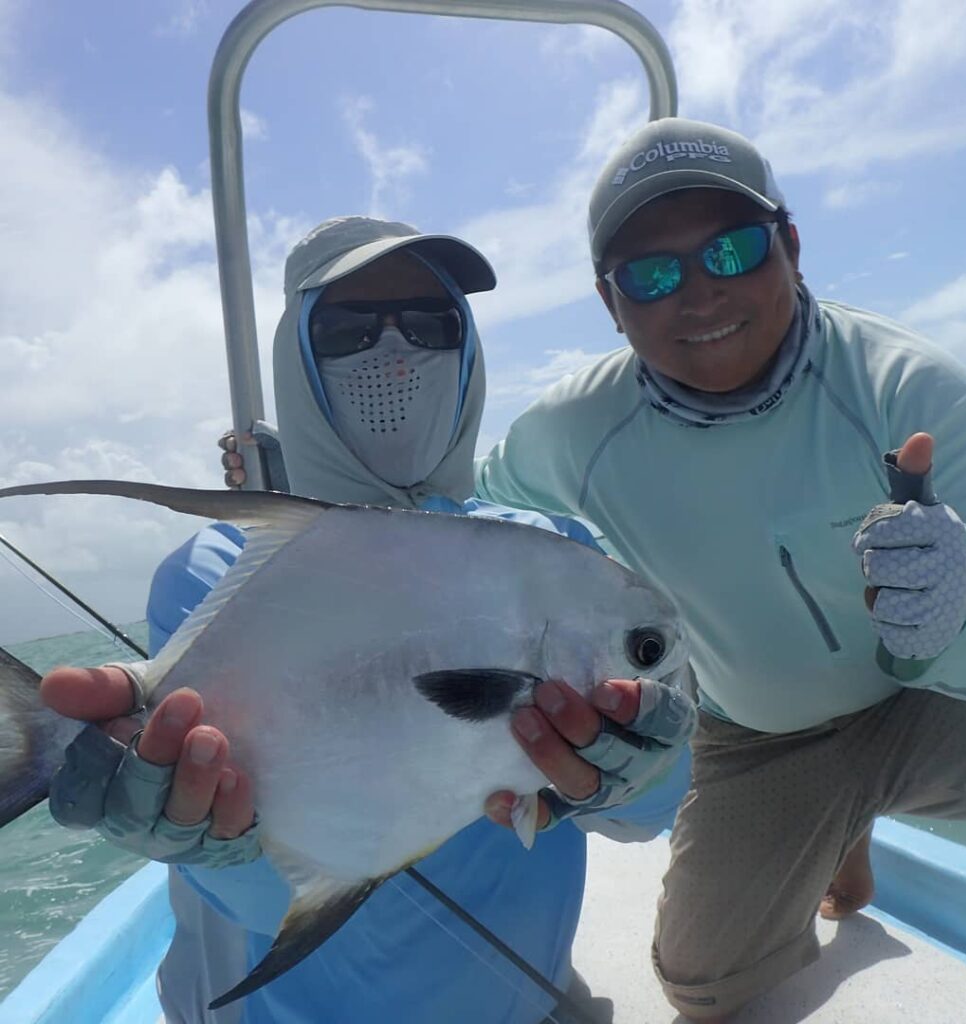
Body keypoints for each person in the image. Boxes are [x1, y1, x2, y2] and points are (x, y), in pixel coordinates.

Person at [40, 216, 694, 1024]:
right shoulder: (217, 563)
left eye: (430, 324)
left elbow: (650, 818)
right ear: (297, 355)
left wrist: (644, 769)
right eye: (350, 329)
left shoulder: (559, 550)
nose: (394, 353)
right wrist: (206, 835)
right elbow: (257, 895)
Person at [473, 118, 966, 1021]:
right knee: (704, 984)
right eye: (652, 274)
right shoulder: (574, 434)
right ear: (612, 305)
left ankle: (844, 820)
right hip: (764, 735)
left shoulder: (910, 391)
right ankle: (837, 827)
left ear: (792, 247)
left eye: (733, 249)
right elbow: (460, 523)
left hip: (944, 700)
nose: (699, 294)